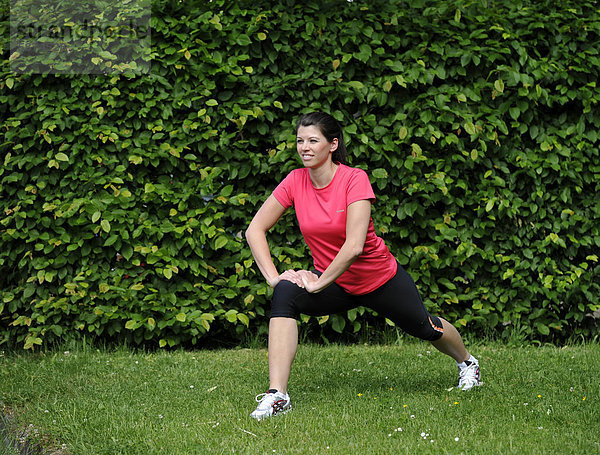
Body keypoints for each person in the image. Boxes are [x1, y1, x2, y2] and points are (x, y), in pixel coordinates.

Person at [245, 112, 482, 421]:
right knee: (286, 295)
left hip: (379, 279)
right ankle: (278, 394)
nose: (304, 147)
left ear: (332, 144)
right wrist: (276, 279)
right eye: (300, 141)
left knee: (424, 326)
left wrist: (317, 282)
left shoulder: (354, 178)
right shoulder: (294, 180)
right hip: (337, 283)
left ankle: (467, 363)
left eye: (313, 140)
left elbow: (354, 245)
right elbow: (255, 229)